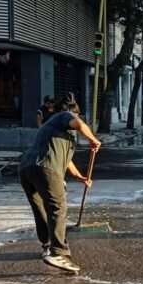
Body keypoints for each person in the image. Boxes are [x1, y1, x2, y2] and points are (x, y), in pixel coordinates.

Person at [18, 95, 101, 272]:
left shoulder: (55, 131)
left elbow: (67, 161)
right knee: (57, 207)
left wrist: (80, 177)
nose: (78, 120)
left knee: (40, 208)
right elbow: (78, 124)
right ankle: (58, 252)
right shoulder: (64, 116)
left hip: (27, 169)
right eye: (77, 116)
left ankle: (47, 245)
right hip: (45, 168)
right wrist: (92, 139)